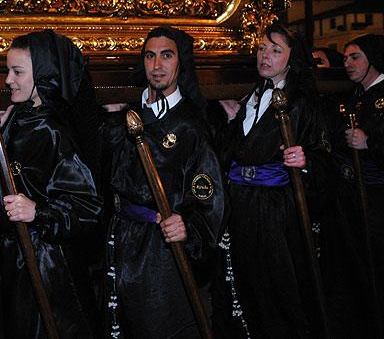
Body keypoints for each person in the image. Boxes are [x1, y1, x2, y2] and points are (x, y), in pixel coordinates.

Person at [99, 26, 227, 339]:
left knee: (159, 326)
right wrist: (113, 122)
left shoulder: (191, 125)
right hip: (120, 239)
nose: (157, 65)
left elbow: (211, 196)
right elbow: (109, 175)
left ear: (181, 62)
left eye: (166, 55)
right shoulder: (128, 114)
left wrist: (190, 225)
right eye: (150, 55)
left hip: (160, 249)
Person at [211, 23, 333, 339]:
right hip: (241, 207)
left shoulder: (301, 102)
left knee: (277, 289)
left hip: (276, 213)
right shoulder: (250, 96)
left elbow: (325, 155)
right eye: (262, 48)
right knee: (242, 283)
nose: (265, 56)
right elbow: (232, 153)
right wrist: (231, 121)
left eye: (275, 50)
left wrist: (305, 160)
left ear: (291, 60)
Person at [0, 30, 103, 339]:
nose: (8, 79)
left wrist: (38, 211)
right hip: (13, 254)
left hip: (44, 259)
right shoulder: (21, 117)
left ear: (44, 75)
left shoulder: (52, 130)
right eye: (7, 70)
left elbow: (87, 206)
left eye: (18, 71)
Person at [320, 34, 384, 338]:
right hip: (348, 196)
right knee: (348, 266)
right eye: (345, 58)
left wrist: (370, 143)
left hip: (376, 200)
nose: (347, 64)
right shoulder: (352, 95)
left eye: (355, 57)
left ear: (372, 58)